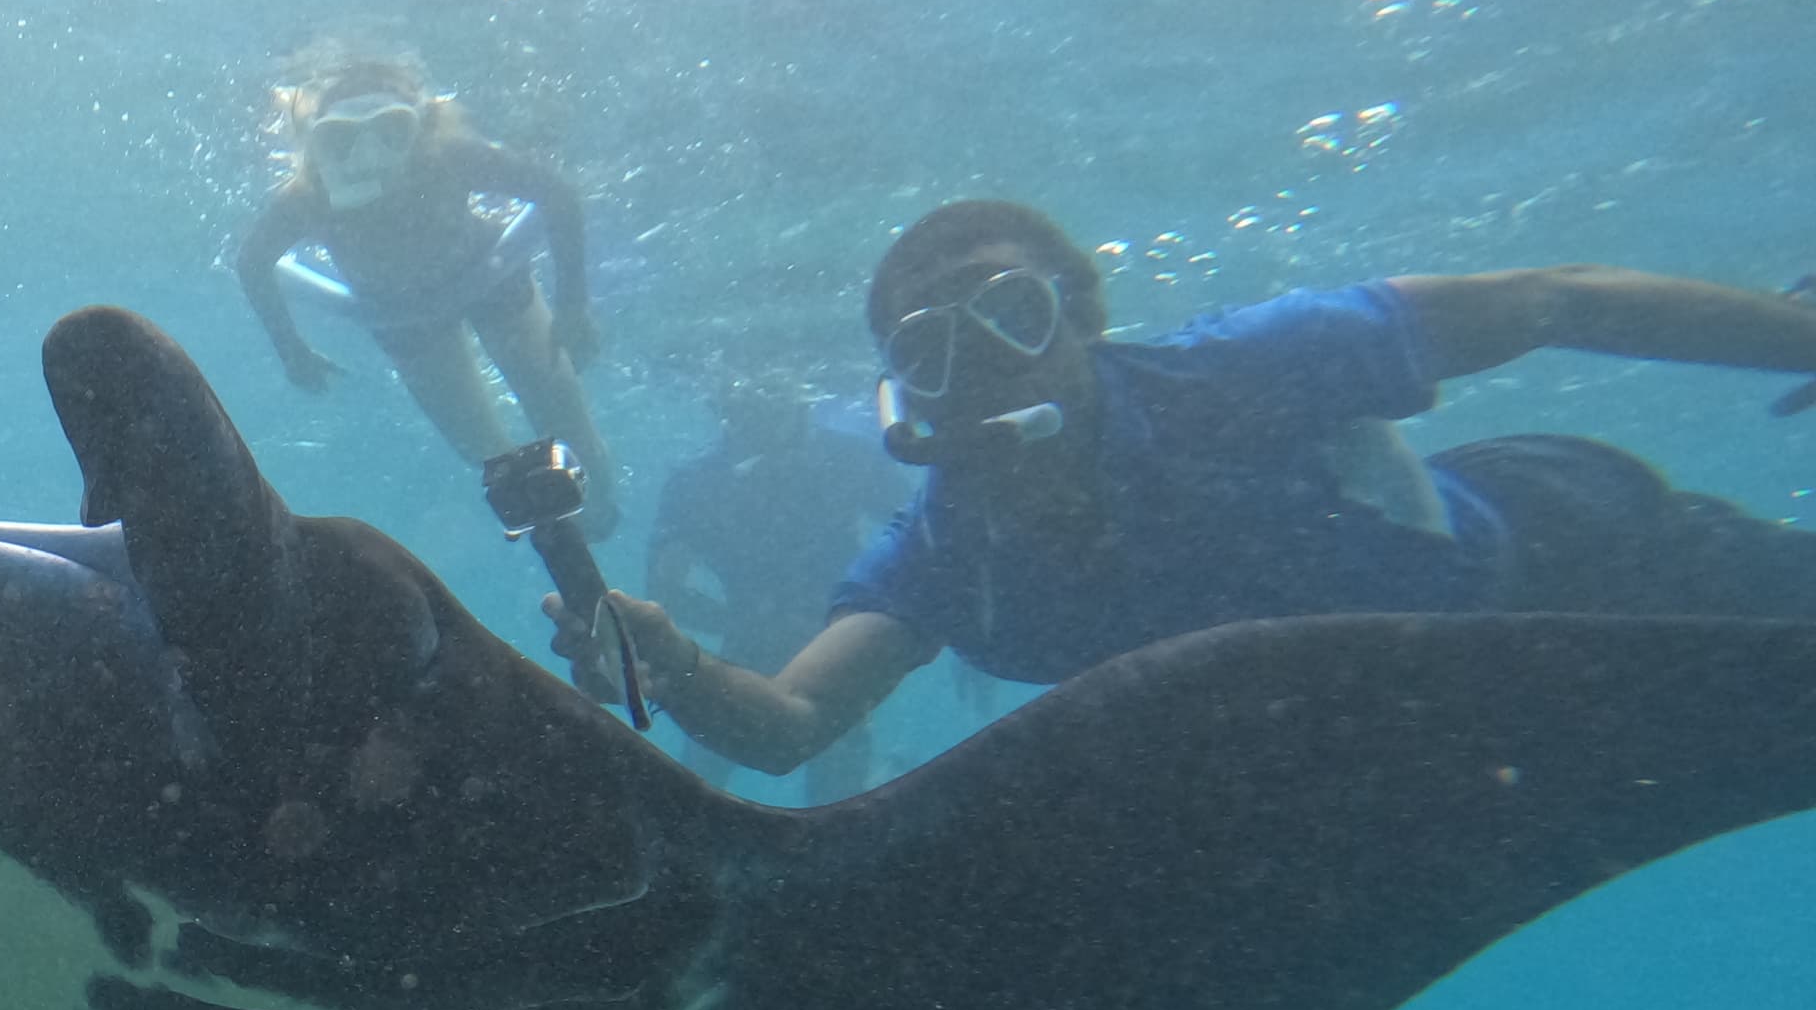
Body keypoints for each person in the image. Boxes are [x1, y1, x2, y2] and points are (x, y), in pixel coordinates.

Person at [555, 197, 1816, 774]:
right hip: (1444, 738)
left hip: (1580, 557)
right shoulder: (943, 550)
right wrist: (666, 663)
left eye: (1012, 313)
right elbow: (788, 730)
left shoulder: (1237, 370)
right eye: (932, 349)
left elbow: (1557, 300)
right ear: (902, 391)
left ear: (1085, 319)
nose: (983, 366)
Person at [231, 55, 617, 532]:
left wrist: (574, 305)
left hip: (480, 282)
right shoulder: (311, 195)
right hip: (410, 316)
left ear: (422, 127)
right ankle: (558, 534)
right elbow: (252, 262)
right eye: (343, 138)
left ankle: (600, 512)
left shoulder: (449, 157)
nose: (369, 153)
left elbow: (556, 193)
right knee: (486, 452)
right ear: (320, 146)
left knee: (563, 417)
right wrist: (290, 350)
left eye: (391, 130)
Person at [644, 372, 913, 802]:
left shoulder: (698, 480)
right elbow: (928, 546)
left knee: (700, 796)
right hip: (827, 644)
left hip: (761, 647)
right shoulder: (842, 457)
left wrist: (748, 621)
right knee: (836, 795)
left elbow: (665, 586)